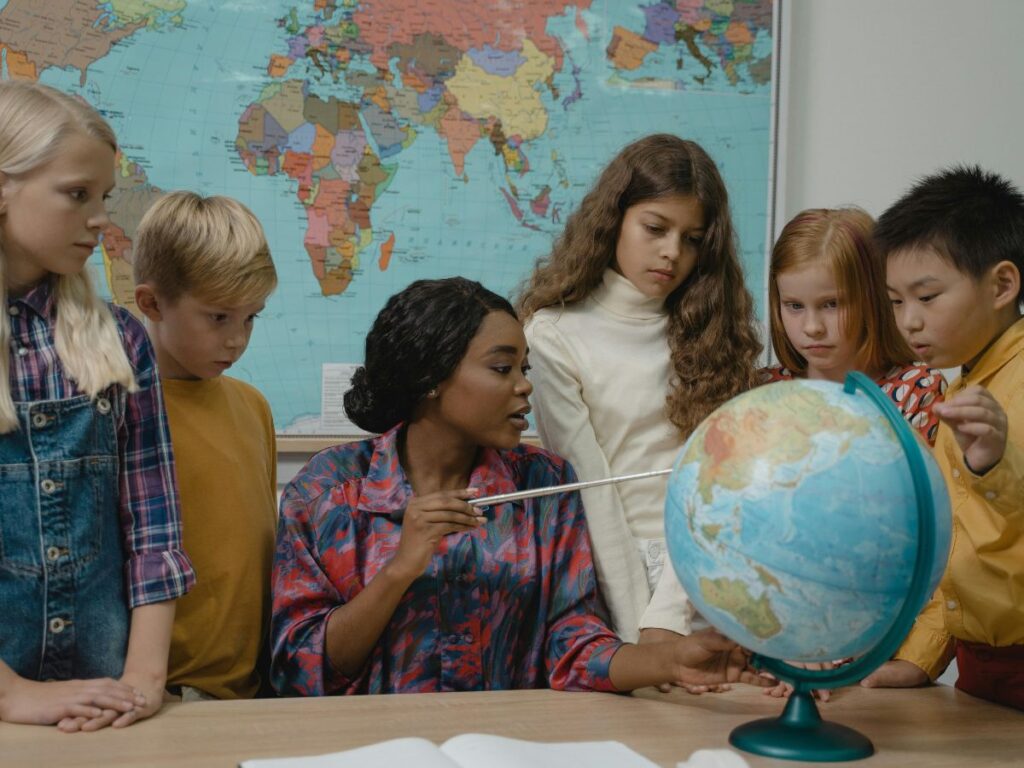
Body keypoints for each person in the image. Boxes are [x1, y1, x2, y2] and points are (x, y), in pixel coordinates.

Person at [270, 277, 769, 696]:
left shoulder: (545, 485)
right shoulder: (327, 491)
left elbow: (571, 645)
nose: (525, 385)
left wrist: (670, 660)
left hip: (507, 745)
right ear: (431, 378)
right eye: (501, 367)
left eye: (524, 368)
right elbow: (299, 669)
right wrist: (400, 569)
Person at [516, 134, 762, 647]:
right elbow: (590, 492)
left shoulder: (714, 329)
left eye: (692, 239)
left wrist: (673, 611)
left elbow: (716, 487)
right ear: (614, 219)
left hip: (713, 569)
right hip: (614, 582)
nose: (672, 252)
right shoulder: (553, 334)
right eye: (655, 228)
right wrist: (641, 631)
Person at [0, 81, 194, 730]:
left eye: (104, 197)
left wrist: (144, 680)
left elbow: (154, 525)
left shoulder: (122, 341)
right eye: (76, 194)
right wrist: (12, 695)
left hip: (106, 699)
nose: (100, 218)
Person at [862, 166, 1024, 711]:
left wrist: (996, 463)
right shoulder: (963, 387)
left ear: (1002, 285)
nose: (908, 322)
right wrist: (923, 655)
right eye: (895, 301)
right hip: (980, 668)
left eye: (927, 297)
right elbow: (958, 544)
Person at [133, 191, 278, 700]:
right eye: (218, 317)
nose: (237, 339)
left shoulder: (252, 406)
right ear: (151, 303)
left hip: (246, 691)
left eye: (251, 317)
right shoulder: (118, 412)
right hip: (156, 691)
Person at [762, 207, 946, 444]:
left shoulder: (917, 388)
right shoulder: (762, 389)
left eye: (831, 304)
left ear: (873, 298)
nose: (812, 327)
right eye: (794, 306)